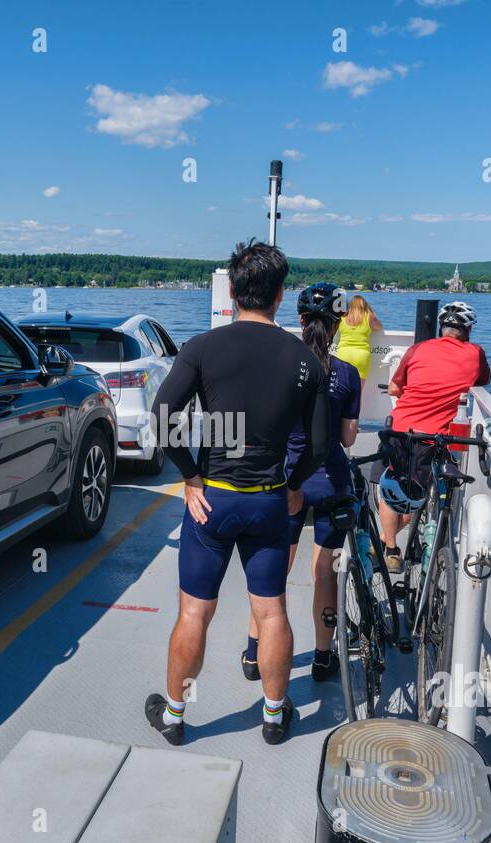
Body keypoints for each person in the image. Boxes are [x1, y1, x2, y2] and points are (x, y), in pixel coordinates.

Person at [144, 240, 329, 747]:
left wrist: (189, 475)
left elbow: (162, 416)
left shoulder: (203, 348)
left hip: (213, 501)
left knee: (193, 612)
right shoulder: (306, 361)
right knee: (271, 611)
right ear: (280, 294)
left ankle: (176, 715)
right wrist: (293, 487)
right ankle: (274, 715)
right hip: (270, 500)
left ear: (232, 290)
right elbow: (318, 444)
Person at [241, 283, 360, 686]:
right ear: (338, 323)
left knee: (273, 571)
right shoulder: (346, 374)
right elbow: (346, 439)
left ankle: (255, 652)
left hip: (285, 480)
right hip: (332, 483)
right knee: (324, 572)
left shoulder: (282, 366)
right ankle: (324, 658)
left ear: (301, 320)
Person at [378, 301, 491, 571]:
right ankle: (394, 538)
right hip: (432, 438)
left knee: (391, 487)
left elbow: (395, 388)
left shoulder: (418, 349)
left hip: (399, 428)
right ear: (468, 329)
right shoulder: (475, 353)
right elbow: (483, 380)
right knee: (416, 493)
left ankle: (390, 548)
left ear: (442, 327)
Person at [333, 294, 383, 382]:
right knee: (358, 392)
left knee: (341, 390)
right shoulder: (369, 316)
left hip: (343, 354)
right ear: (364, 305)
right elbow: (379, 327)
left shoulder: (342, 317)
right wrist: (370, 311)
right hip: (361, 356)